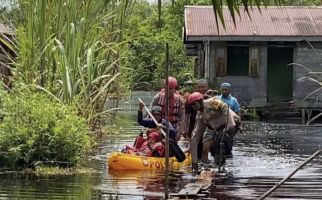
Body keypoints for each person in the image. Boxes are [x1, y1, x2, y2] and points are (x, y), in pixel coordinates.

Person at [187, 94, 241, 172]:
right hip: (219, 129)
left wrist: (230, 125)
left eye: (194, 104)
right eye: (191, 106)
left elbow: (225, 107)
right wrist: (194, 165)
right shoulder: (200, 116)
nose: (193, 107)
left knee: (219, 144)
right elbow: (196, 137)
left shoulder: (211, 102)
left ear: (200, 101)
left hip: (232, 123)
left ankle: (219, 168)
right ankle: (217, 166)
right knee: (213, 149)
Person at [151, 76, 185, 141]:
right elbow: (150, 112)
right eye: (167, 88)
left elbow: (182, 118)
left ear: (174, 88)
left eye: (171, 88)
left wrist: (179, 132)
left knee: (172, 144)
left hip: (173, 127)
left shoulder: (179, 100)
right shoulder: (158, 97)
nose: (168, 90)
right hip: (159, 125)